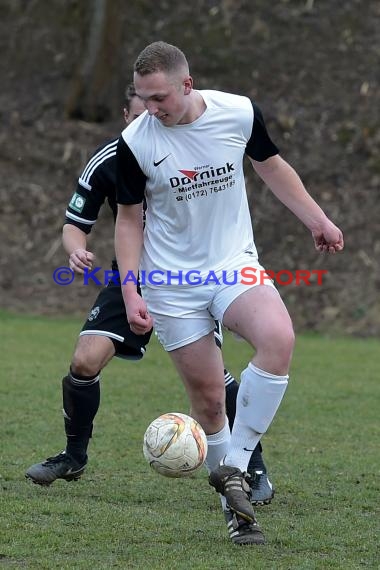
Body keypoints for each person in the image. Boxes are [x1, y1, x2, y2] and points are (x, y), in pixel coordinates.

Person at [114, 42, 344, 545]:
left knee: (278, 338)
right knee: (210, 402)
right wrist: (130, 290)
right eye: (143, 99)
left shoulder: (237, 112)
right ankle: (239, 519)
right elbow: (128, 219)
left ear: (187, 85)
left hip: (231, 265)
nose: (151, 109)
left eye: (159, 98)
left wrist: (317, 219)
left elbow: (272, 167)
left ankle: (233, 468)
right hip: (171, 283)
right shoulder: (135, 142)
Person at [25, 84, 274, 505]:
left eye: (158, 110)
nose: (153, 120)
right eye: (142, 114)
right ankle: (74, 455)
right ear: (127, 117)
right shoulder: (113, 156)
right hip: (131, 279)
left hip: (187, 278)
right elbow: (75, 222)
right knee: (84, 360)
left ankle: (252, 467)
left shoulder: (195, 145)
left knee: (215, 385)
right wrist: (76, 251)